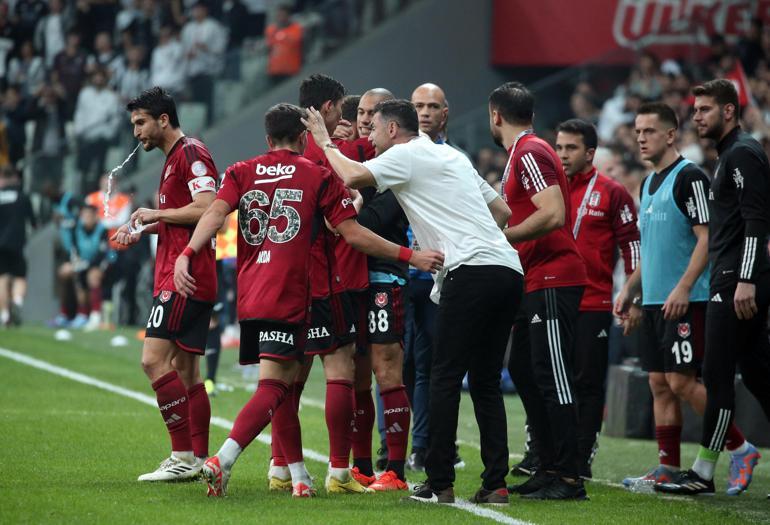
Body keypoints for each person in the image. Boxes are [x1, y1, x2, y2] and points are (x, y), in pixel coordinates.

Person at [172, 103, 442, 497]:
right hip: (306, 289)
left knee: (279, 383)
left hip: (256, 292)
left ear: (267, 138)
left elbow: (214, 213)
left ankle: (293, 475)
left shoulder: (241, 171)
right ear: (302, 138)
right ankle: (325, 469)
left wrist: (188, 253)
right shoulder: (316, 173)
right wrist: (410, 255)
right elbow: (351, 233)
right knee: (336, 372)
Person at [303, 98, 522, 505]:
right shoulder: (451, 156)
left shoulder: (405, 153)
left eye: (373, 130)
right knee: (487, 382)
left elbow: (352, 174)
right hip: (507, 268)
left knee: (443, 376)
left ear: (391, 130)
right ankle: (496, 483)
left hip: (469, 271)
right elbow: (503, 212)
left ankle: (439, 482)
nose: (367, 136)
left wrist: (323, 141)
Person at [614, 101, 756, 495]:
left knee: (681, 382)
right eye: (638, 132)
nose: (641, 138)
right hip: (657, 300)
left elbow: (707, 239)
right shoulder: (647, 183)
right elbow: (653, 249)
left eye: (650, 132)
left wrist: (682, 287)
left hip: (688, 299)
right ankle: (668, 467)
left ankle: (741, 448)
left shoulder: (689, 177)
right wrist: (631, 289)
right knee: (659, 382)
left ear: (671, 135)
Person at [656, 79, 770, 496]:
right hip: (736, 278)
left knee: (718, 375)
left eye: (704, 109)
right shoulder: (730, 155)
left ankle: (703, 473)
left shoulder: (742, 154)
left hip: (735, 281)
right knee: (760, 375)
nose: (696, 116)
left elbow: (758, 220)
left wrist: (745, 278)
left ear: (727, 111)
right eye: (695, 108)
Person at [268, 73, 377, 496]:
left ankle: (280, 466)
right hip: (325, 279)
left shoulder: (280, 151)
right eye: (349, 109)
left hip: (280, 280)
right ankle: (339, 471)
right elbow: (339, 217)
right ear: (329, 108)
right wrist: (357, 198)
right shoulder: (332, 152)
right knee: (340, 370)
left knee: (287, 377)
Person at [111, 87, 218, 482]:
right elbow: (188, 214)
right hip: (186, 272)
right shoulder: (175, 157)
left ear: (163, 119)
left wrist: (154, 211)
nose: (136, 132)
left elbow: (209, 208)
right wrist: (149, 227)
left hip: (182, 276)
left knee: (152, 360)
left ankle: (182, 455)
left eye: (140, 123)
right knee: (187, 370)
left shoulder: (190, 152)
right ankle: (201, 459)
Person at [490, 82, 588, 500]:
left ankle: (569, 476)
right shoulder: (523, 153)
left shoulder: (529, 151)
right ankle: (548, 466)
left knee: (554, 376)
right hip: (536, 276)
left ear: (495, 115)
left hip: (553, 275)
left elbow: (552, 212)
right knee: (529, 374)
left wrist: (506, 235)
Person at [552, 118, 640, 479]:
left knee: (586, 382)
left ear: (590, 152)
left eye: (570, 148)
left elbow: (632, 246)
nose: (562, 155)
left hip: (593, 302)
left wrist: (632, 297)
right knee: (551, 380)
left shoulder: (611, 191)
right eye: (559, 147)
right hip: (553, 298)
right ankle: (551, 452)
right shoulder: (550, 189)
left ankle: (582, 454)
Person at [403, 82, 465, 473]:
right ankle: (393, 446)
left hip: (438, 278)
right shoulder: (396, 156)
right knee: (396, 366)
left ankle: (427, 446)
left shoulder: (455, 161)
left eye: (432, 106)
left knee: (432, 367)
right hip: (399, 275)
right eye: (418, 106)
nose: (424, 112)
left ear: (445, 113)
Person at [0, 166, 36, 327]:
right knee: (20, 277)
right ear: (15, 178)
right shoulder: (22, 197)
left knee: (2, 278)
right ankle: (17, 301)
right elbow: (33, 221)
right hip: (16, 243)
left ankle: (4, 314)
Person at [265, 4, 303, 84]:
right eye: (279, 15)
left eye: (283, 15)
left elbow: (295, 41)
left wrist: (282, 35)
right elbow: (268, 47)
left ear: (289, 16)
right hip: (274, 71)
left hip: (290, 69)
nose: (280, 18)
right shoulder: (271, 30)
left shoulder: (295, 28)